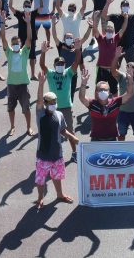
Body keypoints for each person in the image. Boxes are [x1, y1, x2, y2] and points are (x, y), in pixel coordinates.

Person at [34, 72, 79, 209]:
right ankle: (40, 198)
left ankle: (60, 194)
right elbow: (39, 100)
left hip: (57, 153)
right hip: (43, 154)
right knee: (41, 179)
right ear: (45, 103)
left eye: (55, 102)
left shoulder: (59, 115)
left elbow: (62, 130)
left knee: (57, 176)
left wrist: (72, 137)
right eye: (51, 102)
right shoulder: (40, 114)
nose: (53, 104)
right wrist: (41, 84)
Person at [40, 40, 82, 161]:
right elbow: (42, 65)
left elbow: (76, 62)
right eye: (58, 64)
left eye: (62, 64)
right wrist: (43, 52)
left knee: (70, 131)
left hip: (66, 107)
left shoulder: (68, 73)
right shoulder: (51, 74)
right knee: (52, 132)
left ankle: (74, 152)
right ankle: (52, 153)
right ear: (54, 66)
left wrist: (78, 50)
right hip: (53, 107)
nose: (60, 65)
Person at [0, 12, 34, 136]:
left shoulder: (24, 52)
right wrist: (3, 22)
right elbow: (3, 37)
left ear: (20, 44)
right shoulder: (8, 52)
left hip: (23, 85)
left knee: (26, 109)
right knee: (11, 108)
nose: (15, 45)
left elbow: (29, 38)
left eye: (17, 43)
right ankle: (12, 127)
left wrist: (29, 23)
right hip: (11, 85)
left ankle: (29, 127)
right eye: (13, 43)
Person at [78, 69, 134, 141]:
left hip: (112, 140)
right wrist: (83, 84)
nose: (103, 91)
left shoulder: (115, 102)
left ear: (109, 92)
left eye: (105, 90)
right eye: (100, 90)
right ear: (96, 92)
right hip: (96, 140)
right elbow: (82, 98)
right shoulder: (92, 104)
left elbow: (129, 94)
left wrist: (130, 80)